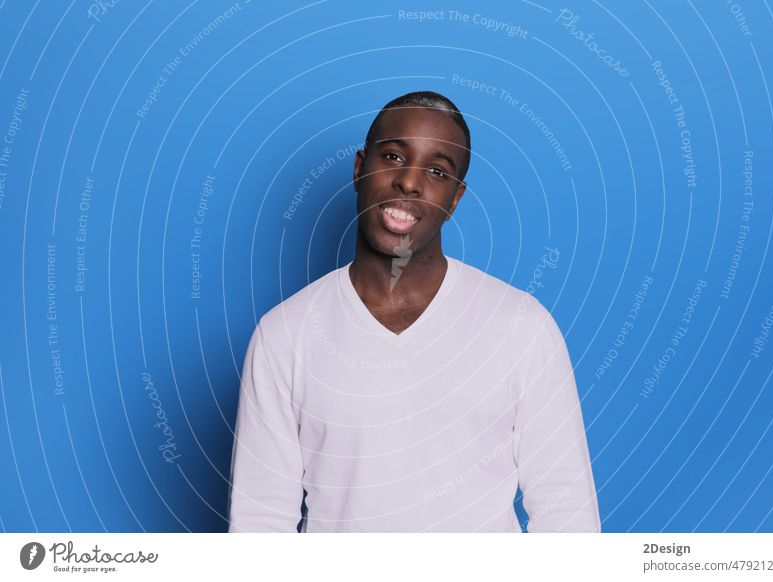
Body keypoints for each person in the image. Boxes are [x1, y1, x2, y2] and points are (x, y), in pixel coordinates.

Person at [227, 91, 600, 532]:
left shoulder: (521, 326)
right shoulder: (284, 336)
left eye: (437, 171)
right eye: (393, 156)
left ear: (455, 198)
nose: (409, 182)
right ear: (359, 168)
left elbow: (567, 512)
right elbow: (260, 523)